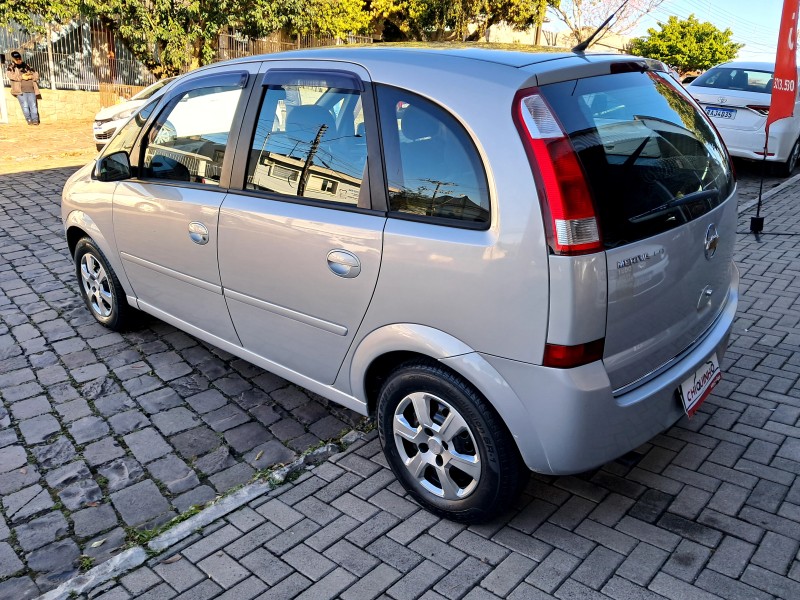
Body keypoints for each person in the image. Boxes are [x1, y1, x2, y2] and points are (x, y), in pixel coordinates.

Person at [7, 51, 41, 125]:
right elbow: (10, 76)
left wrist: (30, 76)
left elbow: (36, 75)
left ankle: (35, 120)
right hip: (20, 91)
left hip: (31, 89)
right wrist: (21, 77)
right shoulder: (11, 67)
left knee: (33, 105)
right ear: (13, 59)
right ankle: (29, 120)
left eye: (19, 58)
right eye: (17, 59)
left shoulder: (27, 66)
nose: (19, 60)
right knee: (25, 106)